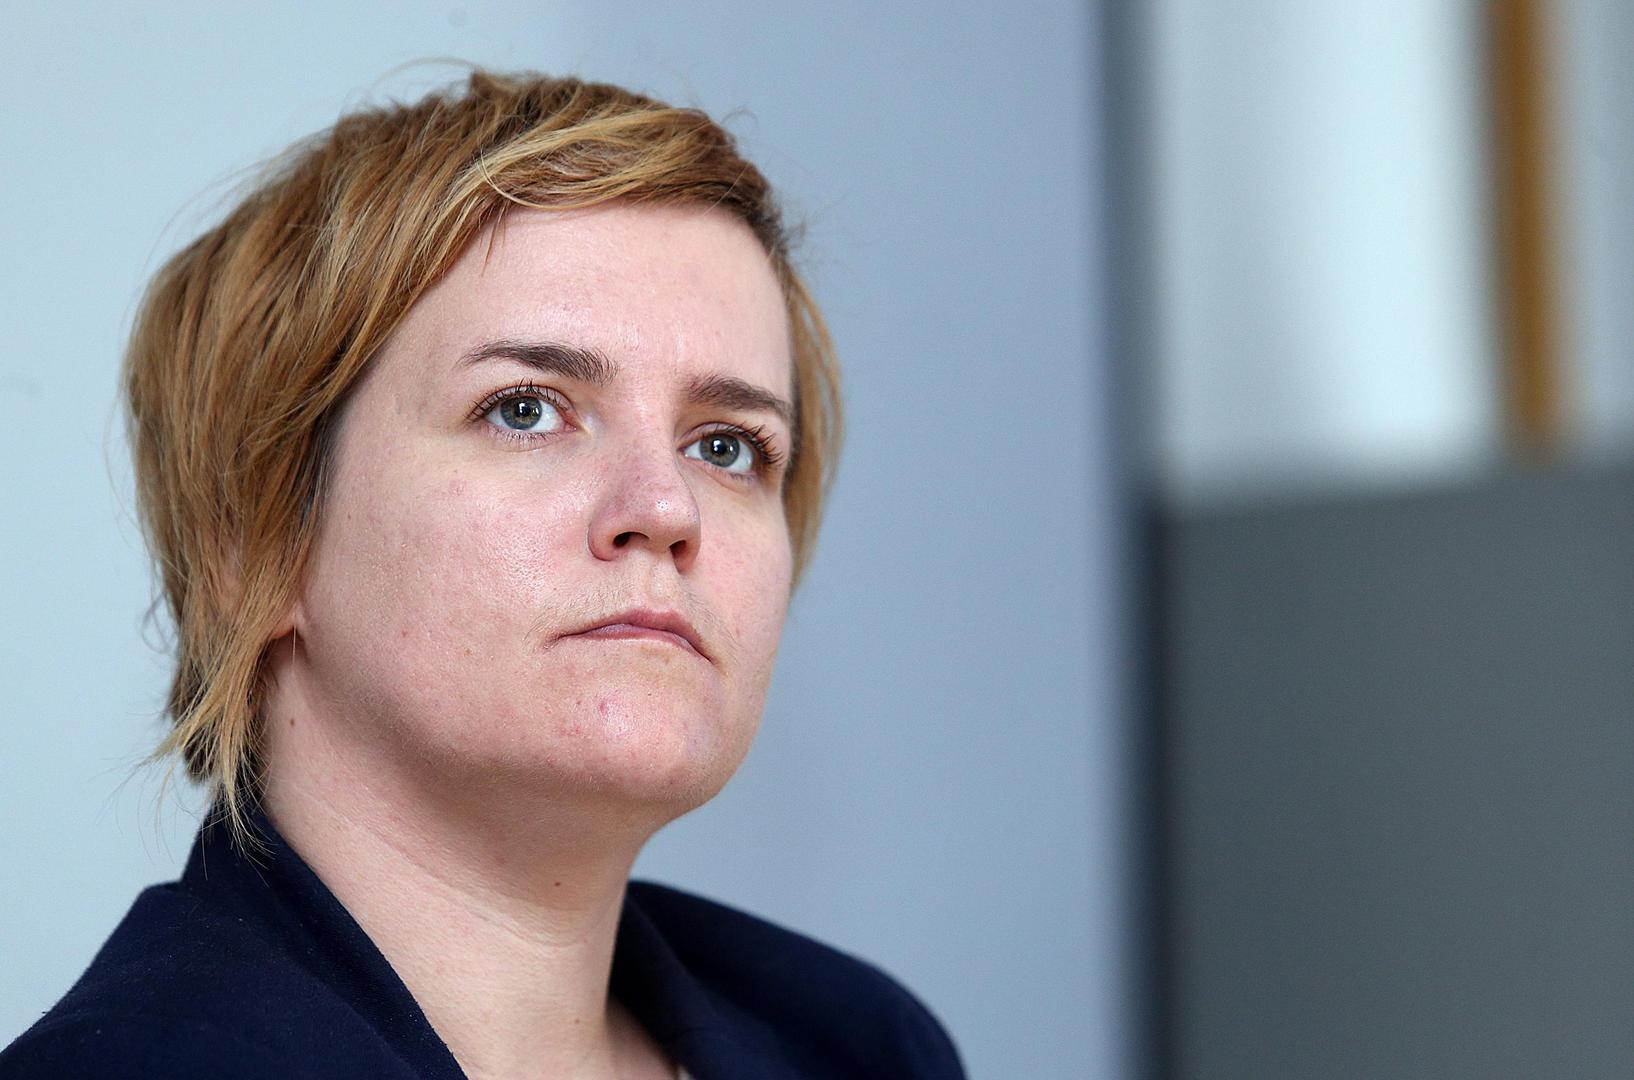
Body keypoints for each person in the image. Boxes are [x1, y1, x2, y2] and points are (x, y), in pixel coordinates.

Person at [0, 69, 965, 1080]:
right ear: (254, 547)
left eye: (726, 447)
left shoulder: (857, 1047)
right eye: (524, 409)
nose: (666, 508)